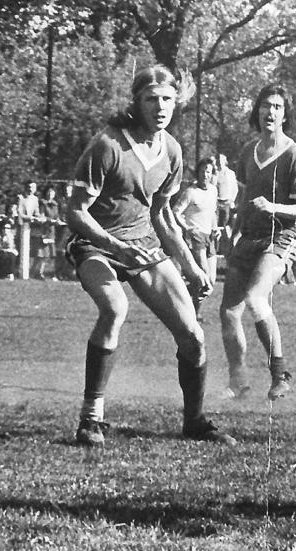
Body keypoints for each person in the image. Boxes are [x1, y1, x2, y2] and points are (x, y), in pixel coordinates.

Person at [65, 65, 234, 446]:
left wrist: (191, 266)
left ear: (179, 102)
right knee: (114, 309)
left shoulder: (171, 150)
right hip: (96, 244)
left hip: (142, 246)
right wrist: (114, 246)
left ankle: (194, 422)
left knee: (193, 335)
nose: (160, 107)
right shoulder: (108, 145)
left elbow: (161, 214)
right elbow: (75, 212)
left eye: (168, 99)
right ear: (136, 102)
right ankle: (91, 420)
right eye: (151, 99)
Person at [219, 83, 296, 400]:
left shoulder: (295, 156)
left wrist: (274, 207)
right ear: (256, 110)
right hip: (248, 237)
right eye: (264, 105)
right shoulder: (248, 152)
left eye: (276, 106)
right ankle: (238, 382)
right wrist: (233, 234)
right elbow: (244, 199)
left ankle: (279, 375)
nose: (269, 111)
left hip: (282, 236)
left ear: (285, 114)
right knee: (229, 312)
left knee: (257, 299)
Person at [173, 156, 220, 320]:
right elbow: (175, 212)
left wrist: (215, 227)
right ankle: (192, 312)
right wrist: (187, 228)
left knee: (211, 281)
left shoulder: (214, 190)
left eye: (208, 172)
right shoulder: (190, 192)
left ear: (212, 173)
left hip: (210, 237)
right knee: (204, 279)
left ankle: (184, 299)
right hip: (196, 237)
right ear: (197, 173)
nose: (204, 175)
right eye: (202, 171)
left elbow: (213, 212)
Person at [32, 184, 60, 280]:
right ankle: (36, 271)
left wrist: (57, 221)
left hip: (51, 230)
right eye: (49, 192)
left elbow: (56, 216)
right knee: (41, 253)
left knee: (48, 254)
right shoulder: (42, 203)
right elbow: (41, 216)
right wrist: (49, 220)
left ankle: (39, 271)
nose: (50, 194)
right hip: (43, 230)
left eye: (52, 192)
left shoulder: (55, 204)